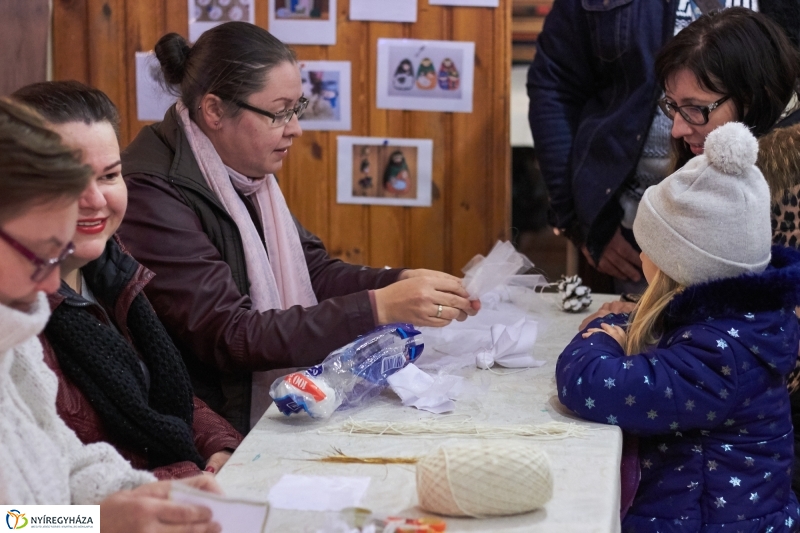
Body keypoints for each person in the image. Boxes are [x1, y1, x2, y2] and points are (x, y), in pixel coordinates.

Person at [118, 21, 480, 434]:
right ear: (215, 110)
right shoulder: (151, 193)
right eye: (279, 112)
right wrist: (380, 306)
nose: (296, 128)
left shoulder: (241, 173)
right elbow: (230, 335)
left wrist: (398, 280)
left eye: (297, 108)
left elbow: (313, 271)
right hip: (204, 429)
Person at [556, 122, 800, 531]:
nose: (640, 255)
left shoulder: (716, 357)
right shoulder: (734, 327)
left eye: (646, 246)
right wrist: (622, 325)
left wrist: (596, 340)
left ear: (675, 268)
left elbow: (590, 384)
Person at [0, 97, 221, 531]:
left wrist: (142, 493)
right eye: (42, 256)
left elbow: (64, 464)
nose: (50, 286)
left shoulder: (14, 339)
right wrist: (94, 523)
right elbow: (16, 521)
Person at [527, 0, 800, 290]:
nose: (677, 129)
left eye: (696, 108)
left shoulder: (785, 212)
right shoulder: (677, 176)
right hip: (629, 230)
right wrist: (578, 220)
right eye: (671, 106)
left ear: (755, 96)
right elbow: (554, 83)